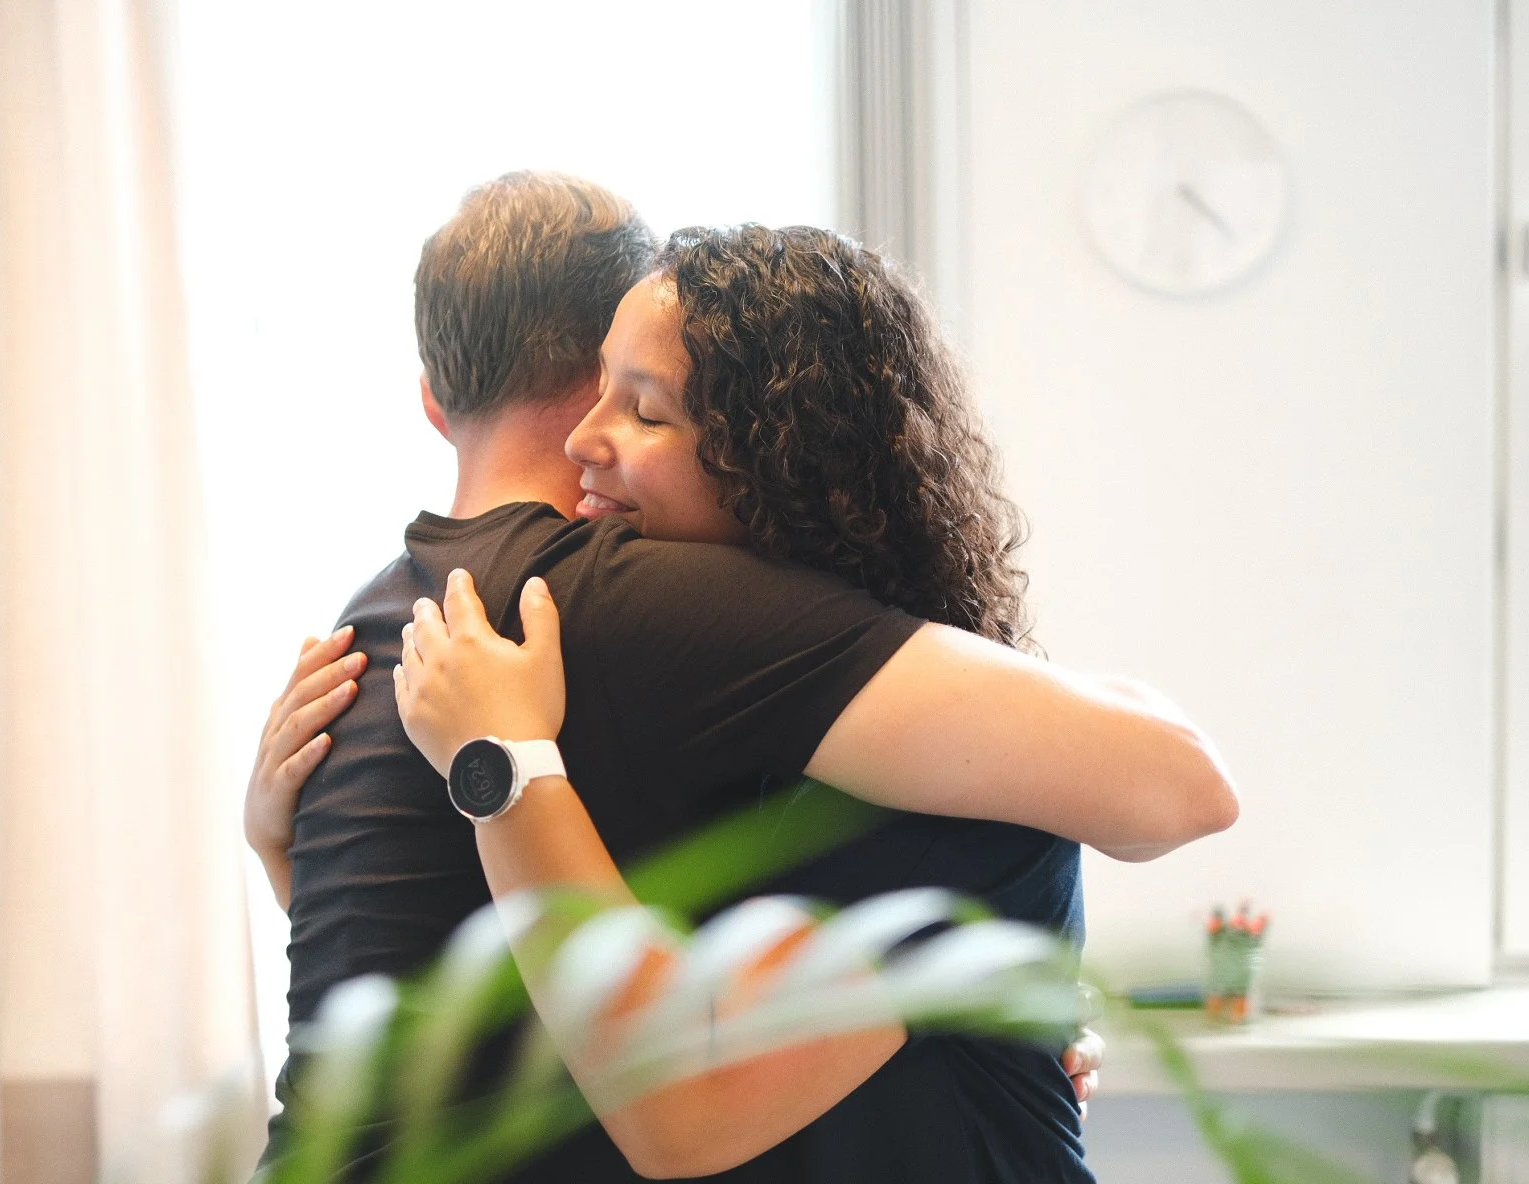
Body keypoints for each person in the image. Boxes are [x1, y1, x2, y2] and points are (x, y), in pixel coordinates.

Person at [248, 177, 1235, 1180]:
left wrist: (466, 776)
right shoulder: (611, 658)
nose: (591, 438)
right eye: (601, 392)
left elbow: (1176, 780)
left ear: (771, 448)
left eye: (642, 407)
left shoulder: (391, 615)